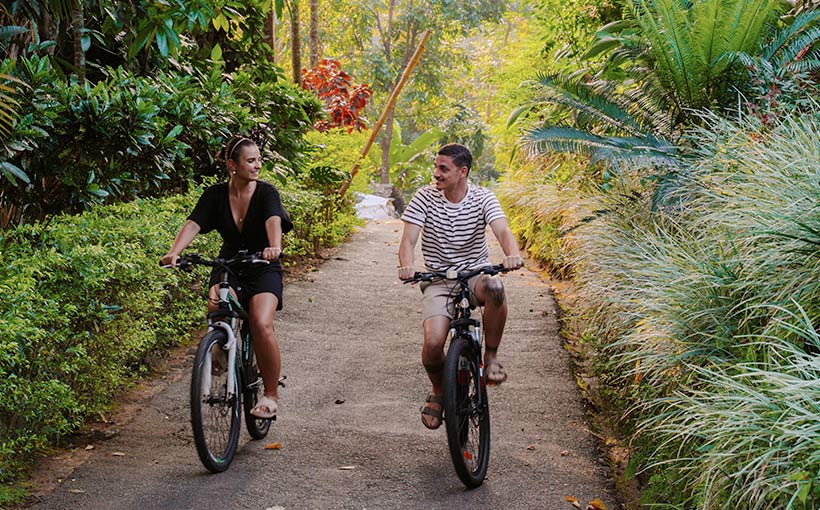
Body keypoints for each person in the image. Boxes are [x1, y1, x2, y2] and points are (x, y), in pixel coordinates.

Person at [161, 136, 291, 419]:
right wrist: (174, 252)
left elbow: (273, 220)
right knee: (216, 307)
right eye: (251, 161)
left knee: (260, 322)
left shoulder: (267, 193)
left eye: (259, 160)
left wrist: (274, 247)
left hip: (262, 264)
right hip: (229, 263)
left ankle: (270, 395)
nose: (257, 166)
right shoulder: (215, 195)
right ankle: (220, 344)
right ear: (233, 165)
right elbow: (194, 223)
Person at [397, 143, 524, 430]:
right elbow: (408, 240)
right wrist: (406, 264)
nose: (436, 174)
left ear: (462, 172)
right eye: (436, 167)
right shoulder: (424, 198)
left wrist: (511, 254)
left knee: (495, 288)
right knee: (432, 345)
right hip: (438, 279)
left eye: (444, 169)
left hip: (474, 274)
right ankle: (439, 391)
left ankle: (490, 357)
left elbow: (502, 230)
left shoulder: (483, 198)